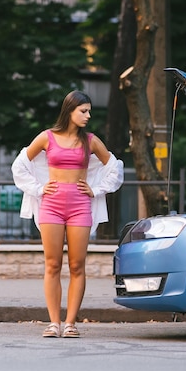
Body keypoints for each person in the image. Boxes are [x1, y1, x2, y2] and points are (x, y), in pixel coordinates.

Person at [11, 90, 123, 338]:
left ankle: (70, 323)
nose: (88, 115)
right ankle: (53, 323)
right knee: (52, 265)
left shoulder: (91, 141)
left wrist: (97, 189)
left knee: (77, 266)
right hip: (51, 206)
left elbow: (114, 166)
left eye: (89, 111)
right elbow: (19, 165)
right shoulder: (46, 137)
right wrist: (39, 189)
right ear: (69, 111)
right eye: (83, 111)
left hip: (80, 207)